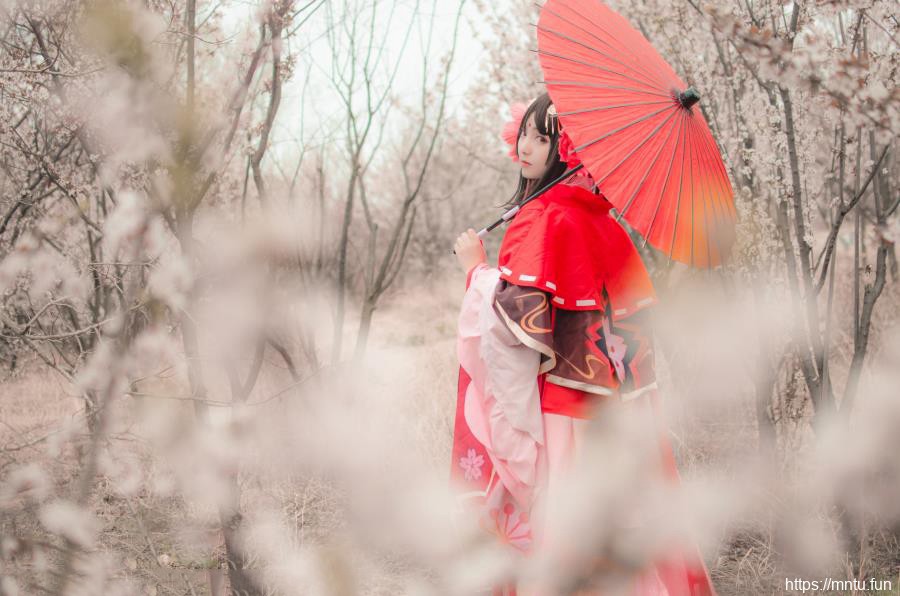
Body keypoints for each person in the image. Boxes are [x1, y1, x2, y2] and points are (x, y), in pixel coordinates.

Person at [449, 93, 716, 595]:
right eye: (525, 132)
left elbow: (507, 340)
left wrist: (475, 271)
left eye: (543, 137)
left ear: (567, 149)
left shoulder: (543, 218)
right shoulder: (609, 227)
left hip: (564, 420)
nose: (525, 146)